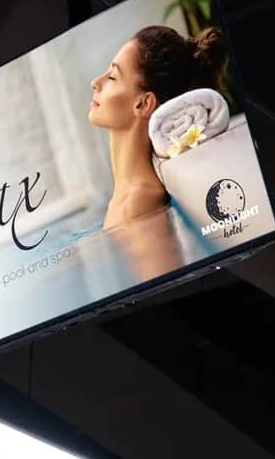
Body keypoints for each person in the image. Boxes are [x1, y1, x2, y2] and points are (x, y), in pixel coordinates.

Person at [87, 24, 229, 281]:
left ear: (143, 103)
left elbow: (164, 287)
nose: (95, 83)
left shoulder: (139, 202)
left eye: (112, 77)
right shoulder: (127, 199)